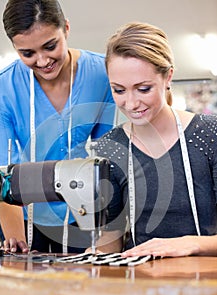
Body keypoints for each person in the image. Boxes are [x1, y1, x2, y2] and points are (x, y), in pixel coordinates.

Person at [0, 0, 115, 254]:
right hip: (22, 216)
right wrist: (16, 240)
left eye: (50, 46)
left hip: (84, 209)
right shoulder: (2, 90)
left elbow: (105, 157)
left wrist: (107, 234)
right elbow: (0, 173)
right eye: (28, 53)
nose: (43, 61)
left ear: (66, 28)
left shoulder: (102, 73)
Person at [93, 21, 217, 258]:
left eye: (143, 88)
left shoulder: (209, 135)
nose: (130, 103)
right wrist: (94, 253)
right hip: (142, 282)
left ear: (168, 76)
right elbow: (111, 237)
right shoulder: (111, 147)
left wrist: (191, 244)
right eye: (119, 90)